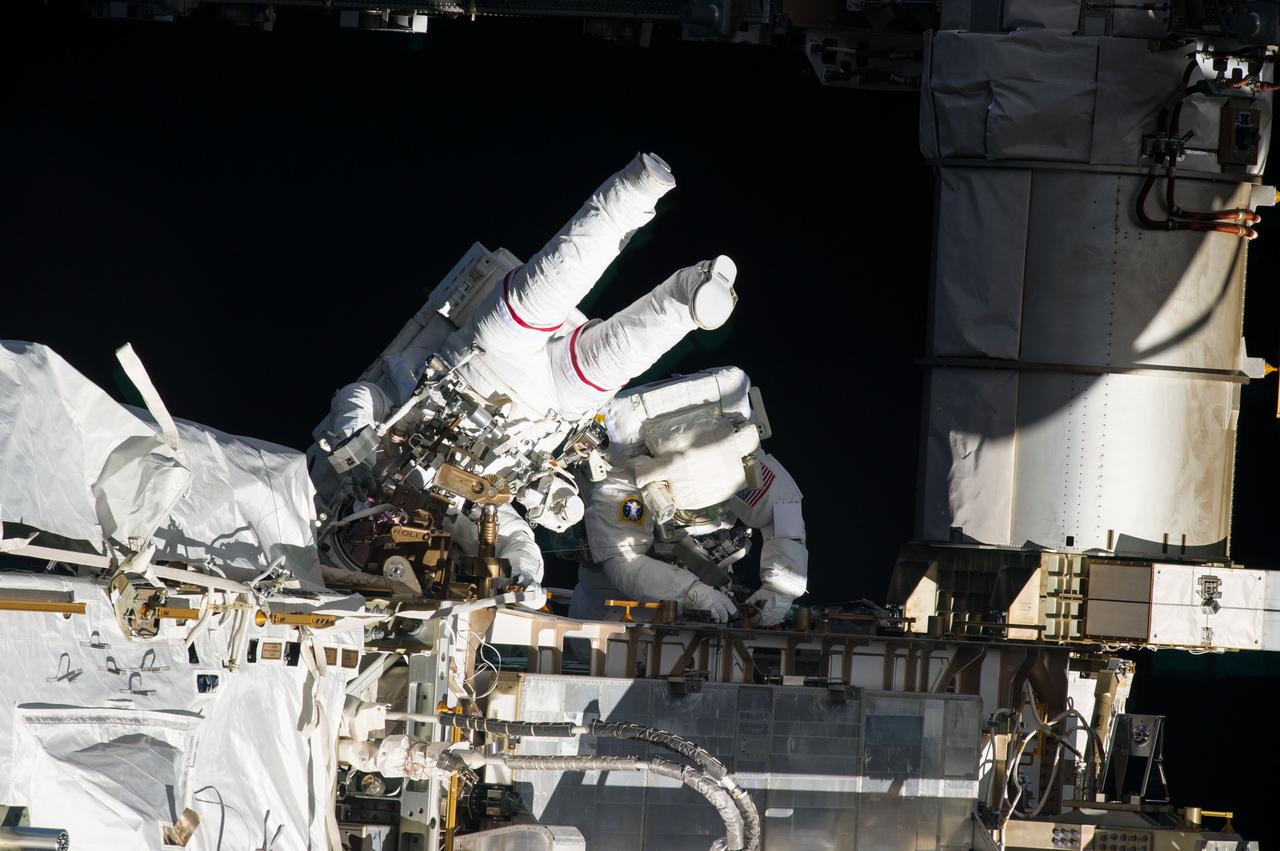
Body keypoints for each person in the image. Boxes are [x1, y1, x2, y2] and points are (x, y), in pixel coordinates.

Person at [309, 153, 738, 598]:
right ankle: (693, 293)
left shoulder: (336, 482)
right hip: (545, 409)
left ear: (341, 530)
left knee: (556, 275)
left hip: (482, 358)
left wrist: (353, 444)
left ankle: (634, 190)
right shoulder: (457, 517)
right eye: (383, 546)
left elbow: (357, 396)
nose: (383, 529)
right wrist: (522, 576)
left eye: (362, 541)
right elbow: (516, 535)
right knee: (623, 351)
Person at [568, 367, 807, 626]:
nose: (704, 517)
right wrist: (689, 592)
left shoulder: (744, 465)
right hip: (617, 601)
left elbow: (784, 517)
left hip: (710, 580)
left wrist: (781, 588)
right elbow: (624, 562)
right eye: (697, 513)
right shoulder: (626, 480)